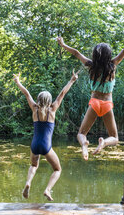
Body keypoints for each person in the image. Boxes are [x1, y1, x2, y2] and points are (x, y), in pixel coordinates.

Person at [57, 27, 124, 160]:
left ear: (95, 55)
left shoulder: (91, 66)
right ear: (109, 55)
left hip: (94, 103)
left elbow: (77, 53)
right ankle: (104, 142)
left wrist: (63, 44)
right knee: (115, 137)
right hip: (107, 104)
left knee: (81, 134)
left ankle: (84, 145)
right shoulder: (113, 65)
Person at [13, 70, 80, 201]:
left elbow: (26, 93)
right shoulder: (53, 109)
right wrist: (72, 80)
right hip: (46, 145)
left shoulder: (34, 109)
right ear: (49, 101)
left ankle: (28, 183)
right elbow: (62, 93)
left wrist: (18, 82)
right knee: (57, 169)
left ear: (38, 100)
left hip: (34, 144)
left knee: (33, 165)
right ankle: (47, 189)